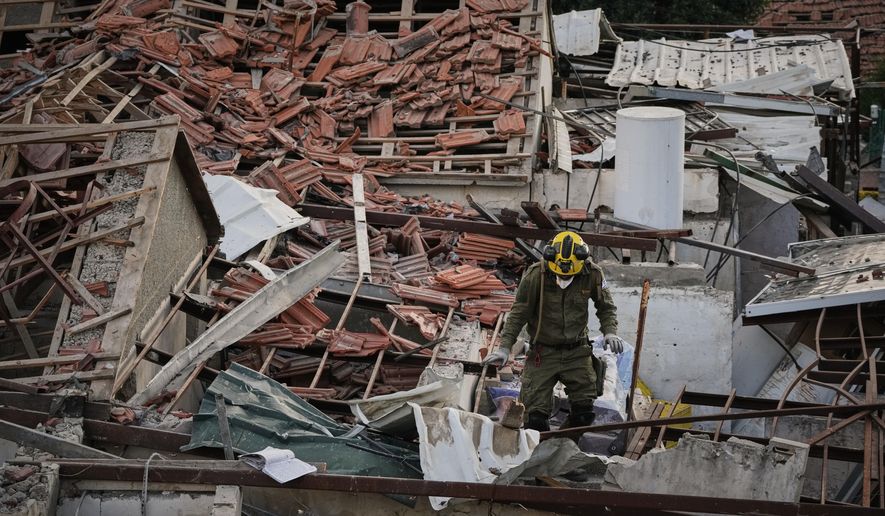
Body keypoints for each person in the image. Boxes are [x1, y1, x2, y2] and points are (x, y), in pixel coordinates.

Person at [483, 230, 624, 432]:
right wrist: (505, 348)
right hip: (543, 353)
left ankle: (564, 446)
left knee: (584, 412)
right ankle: (539, 452)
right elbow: (518, 313)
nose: (564, 279)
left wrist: (610, 331)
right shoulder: (535, 276)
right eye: (559, 274)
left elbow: (606, 307)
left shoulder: (593, 274)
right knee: (535, 418)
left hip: (577, 353)